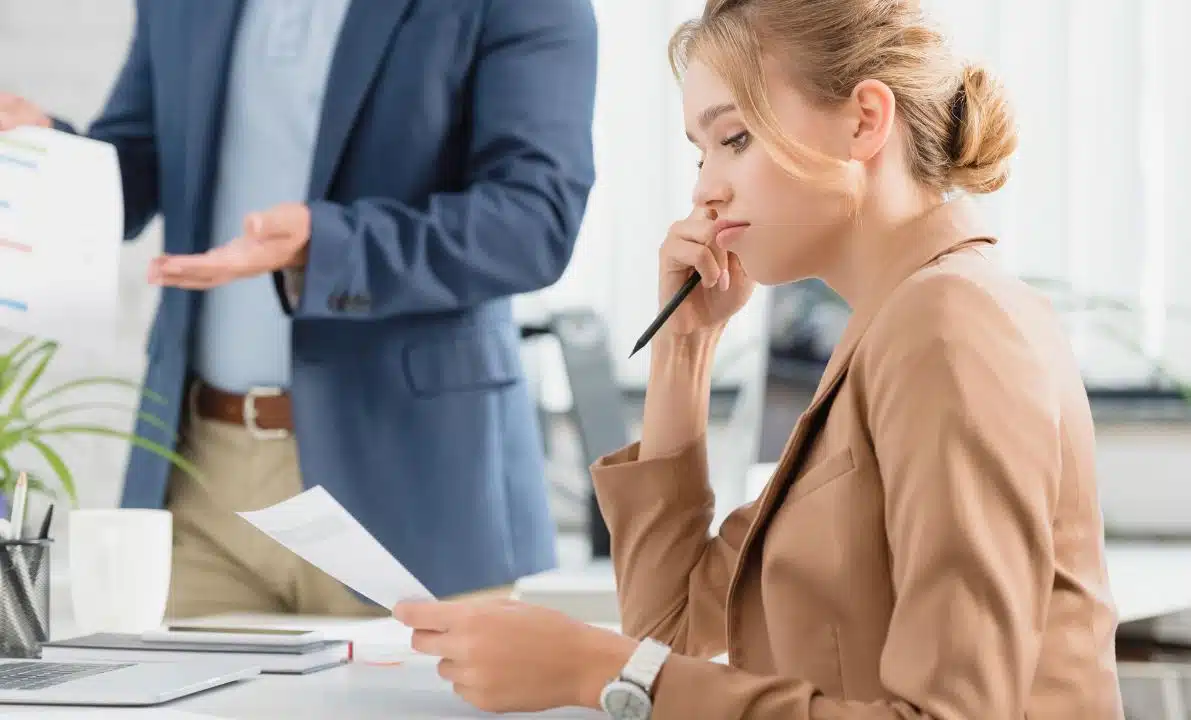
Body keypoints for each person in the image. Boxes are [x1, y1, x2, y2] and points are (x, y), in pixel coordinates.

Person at [391, 0, 1126, 717]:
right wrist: (686, 347)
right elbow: (667, 631)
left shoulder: (950, 323)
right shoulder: (892, 328)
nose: (705, 189)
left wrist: (595, 672)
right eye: (701, 151)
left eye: (734, 138)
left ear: (865, 121)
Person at [0, 0, 598, 616]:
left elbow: (534, 224)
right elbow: (144, 159)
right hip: (200, 481)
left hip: (415, 487)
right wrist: (54, 158)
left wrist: (326, 247)